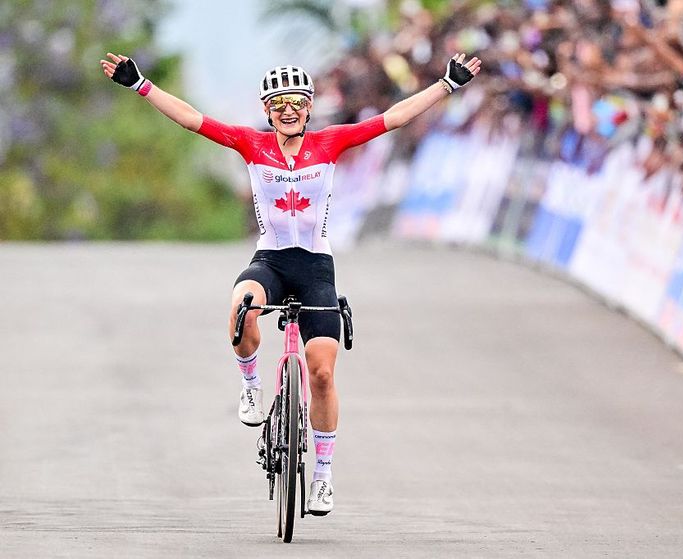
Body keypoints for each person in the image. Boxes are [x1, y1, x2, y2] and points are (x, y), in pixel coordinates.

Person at [99, 51, 481, 515]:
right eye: (278, 104)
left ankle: (322, 476)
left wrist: (448, 84)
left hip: (317, 268)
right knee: (242, 305)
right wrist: (141, 84)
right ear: (267, 111)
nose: (287, 111)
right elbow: (192, 120)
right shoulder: (250, 144)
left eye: (296, 102)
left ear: (308, 107)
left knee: (321, 373)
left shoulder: (331, 142)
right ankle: (250, 385)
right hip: (272, 262)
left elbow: (393, 118)